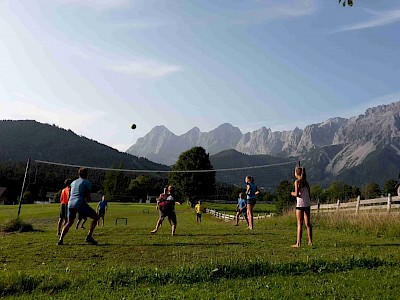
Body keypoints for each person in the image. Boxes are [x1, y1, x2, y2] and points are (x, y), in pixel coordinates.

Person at [58, 167, 99, 245]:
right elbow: (87, 198)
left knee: (69, 222)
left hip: (70, 203)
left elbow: (70, 195)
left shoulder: (73, 182)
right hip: (79, 203)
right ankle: (89, 236)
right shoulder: (86, 182)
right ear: (86, 174)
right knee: (95, 217)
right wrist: (88, 200)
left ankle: (61, 239)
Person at [290, 166, 313, 248]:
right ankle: (310, 241)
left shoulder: (297, 182)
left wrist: (291, 193)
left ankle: (298, 243)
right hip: (307, 204)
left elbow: (297, 194)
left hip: (300, 205)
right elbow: (309, 194)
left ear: (297, 173)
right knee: (308, 223)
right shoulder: (306, 182)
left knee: (300, 224)